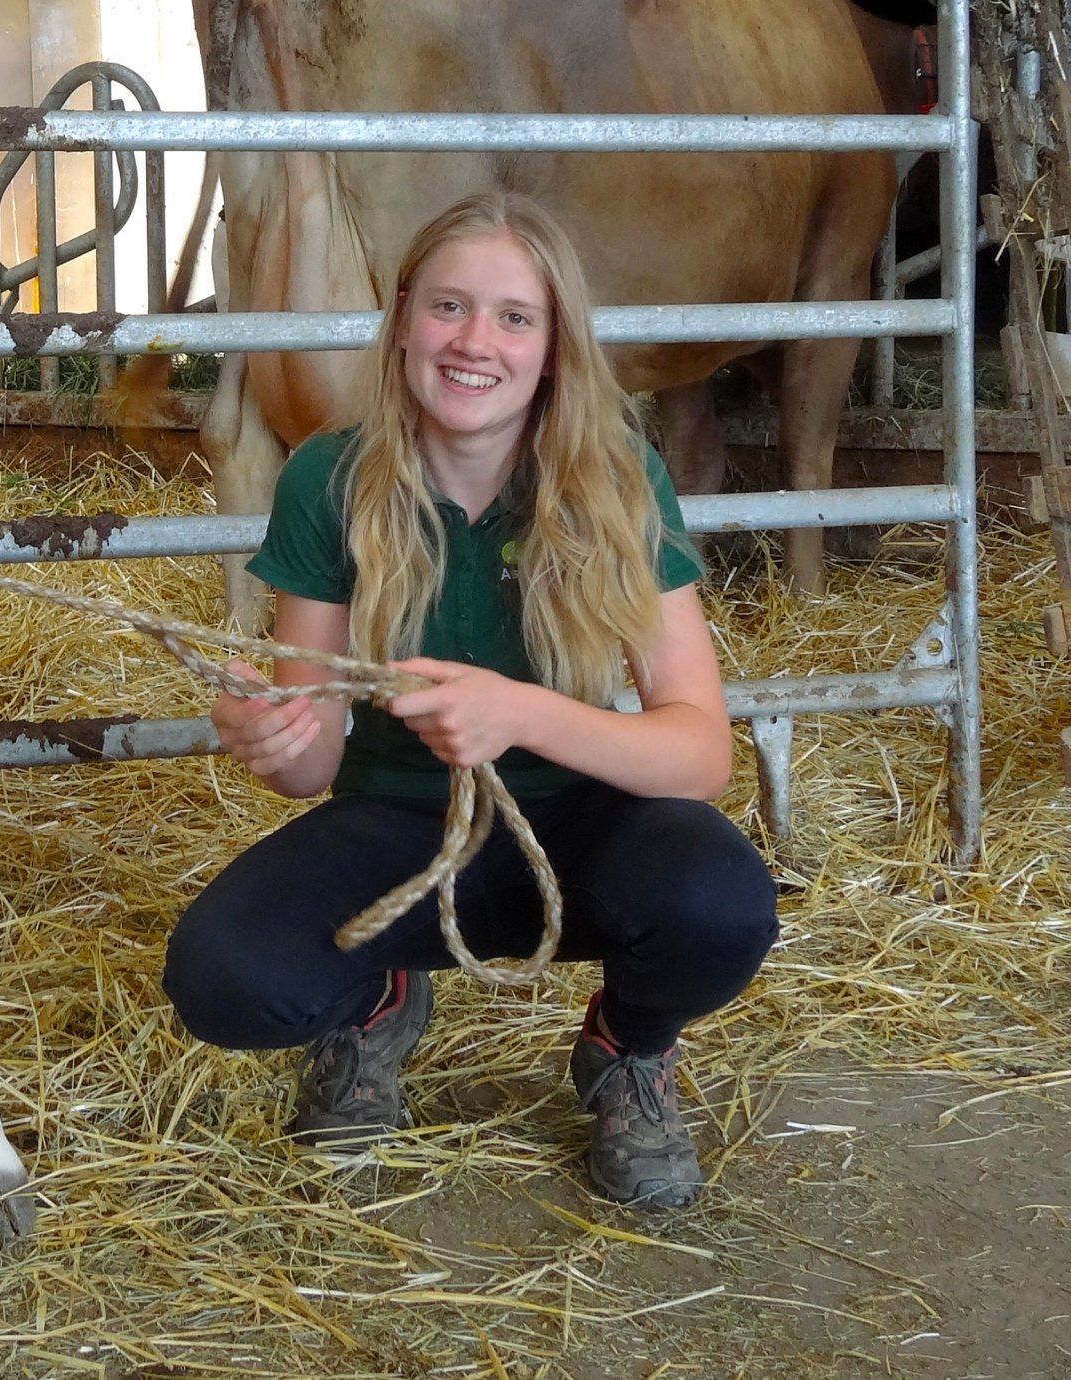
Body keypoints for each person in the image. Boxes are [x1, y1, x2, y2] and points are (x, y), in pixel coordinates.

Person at [162, 191, 779, 1208]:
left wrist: (520, 712)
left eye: (513, 316)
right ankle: (378, 1002)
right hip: (399, 825)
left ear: (552, 347)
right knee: (224, 977)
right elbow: (311, 767)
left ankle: (630, 1049)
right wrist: (270, 737)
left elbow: (698, 751)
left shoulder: (618, 478)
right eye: (448, 307)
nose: (473, 341)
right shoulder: (331, 478)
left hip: (586, 826)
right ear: (403, 318)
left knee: (718, 905)